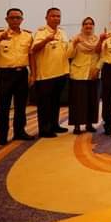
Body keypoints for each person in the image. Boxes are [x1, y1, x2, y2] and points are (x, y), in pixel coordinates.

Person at [0, 8, 34, 145]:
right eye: (12, 18)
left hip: (22, 74)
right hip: (4, 74)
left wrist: (33, 74)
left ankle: (20, 132)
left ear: (22, 20)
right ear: (7, 19)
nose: (15, 20)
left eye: (18, 18)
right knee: (3, 106)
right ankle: (2, 135)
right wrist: (0, 38)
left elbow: (31, 56)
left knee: (21, 106)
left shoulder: (28, 35)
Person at [31, 7, 70, 138]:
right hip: (46, 75)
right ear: (46, 18)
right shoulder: (41, 32)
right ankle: (44, 129)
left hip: (61, 73)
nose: (56, 18)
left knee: (55, 102)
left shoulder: (62, 32)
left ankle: (54, 125)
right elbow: (34, 49)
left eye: (58, 16)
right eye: (53, 16)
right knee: (44, 104)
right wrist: (46, 40)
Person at [67, 17, 100, 135]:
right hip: (78, 74)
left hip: (92, 74)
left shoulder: (97, 39)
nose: (88, 26)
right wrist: (74, 44)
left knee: (92, 100)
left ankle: (89, 124)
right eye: (86, 24)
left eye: (91, 24)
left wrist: (98, 68)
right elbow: (69, 55)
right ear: (82, 26)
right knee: (78, 102)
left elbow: (101, 55)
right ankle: (77, 125)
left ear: (93, 26)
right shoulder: (76, 38)